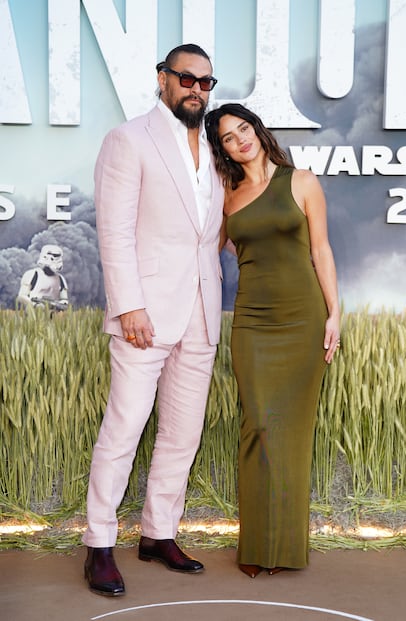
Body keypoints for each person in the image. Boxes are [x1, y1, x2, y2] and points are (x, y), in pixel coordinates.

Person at [83, 44, 224, 596]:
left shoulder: (214, 148)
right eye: (186, 78)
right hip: (144, 314)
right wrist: (129, 305)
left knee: (183, 434)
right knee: (124, 429)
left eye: (206, 82)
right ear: (162, 78)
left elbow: (207, 233)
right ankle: (99, 544)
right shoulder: (128, 139)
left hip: (201, 312)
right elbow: (114, 230)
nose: (196, 89)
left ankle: (158, 533)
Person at [205, 103, 340, 578]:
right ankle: (256, 545)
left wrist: (334, 313)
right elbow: (209, 249)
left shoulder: (300, 181)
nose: (239, 140)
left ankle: (284, 548)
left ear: (258, 131)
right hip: (253, 323)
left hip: (303, 319)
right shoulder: (226, 196)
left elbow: (321, 249)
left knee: (292, 434)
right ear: (222, 150)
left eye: (244, 129)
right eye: (228, 137)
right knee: (258, 426)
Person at [16, 244, 69, 312]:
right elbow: (21, 296)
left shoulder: (60, 278)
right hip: (34, 311)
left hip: (53, 312)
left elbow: (64, 299)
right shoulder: (33, 274)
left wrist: (59, 305)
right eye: (54, 256)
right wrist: (34, 305)